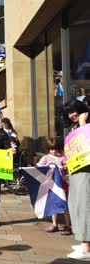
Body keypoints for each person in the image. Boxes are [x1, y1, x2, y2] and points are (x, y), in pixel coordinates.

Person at [62, 99, 90, 260]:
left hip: (86, 172)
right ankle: (83, 241)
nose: (72, 115)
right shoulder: (74, 127)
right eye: (68, 112)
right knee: (76, 204)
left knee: (84, 204)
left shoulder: (85, 124)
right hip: (76, 171)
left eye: (74, 111)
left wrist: (83, 123)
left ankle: (86, 246)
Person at [36, 138, 72, 236]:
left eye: (56, 149)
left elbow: (69, 168)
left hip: (62, 183)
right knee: (53, 204)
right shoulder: (45, 158)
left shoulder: (63, 157)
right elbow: (39, 168)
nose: (54, 151)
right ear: (48, 149)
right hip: (51, 184)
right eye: (52, 149)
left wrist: (66, 168)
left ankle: (68, 225)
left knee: (65, 205)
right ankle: (54, 224)